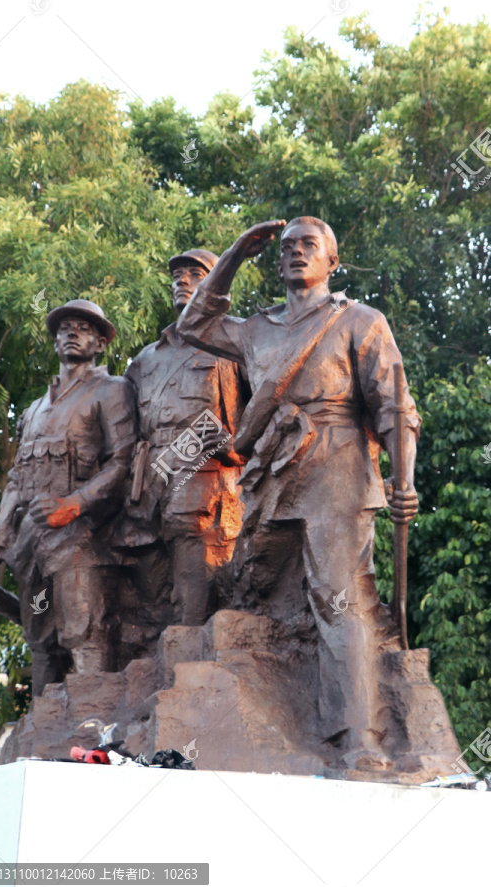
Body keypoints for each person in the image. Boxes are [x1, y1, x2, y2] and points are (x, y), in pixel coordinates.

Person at [178, 217, 420, 770]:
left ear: (333, 261)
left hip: (337, 465)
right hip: (272, 473)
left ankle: (358, 734)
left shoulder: (359, 320)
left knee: (338, 598)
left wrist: (403, 479)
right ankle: (264, 718)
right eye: (286, 247)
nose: (294, 253)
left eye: (309, 246)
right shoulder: (256, 329)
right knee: (252, 589)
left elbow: (393, 406)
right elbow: (195, 323)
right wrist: (236, 252)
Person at [0, 299, 137, 696]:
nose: (72, 333)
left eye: (84, 328)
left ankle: (95, 729)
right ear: (55, 340)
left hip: (82, 543)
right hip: (32, 553)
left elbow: (122, 463)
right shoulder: (34, 411)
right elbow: (16, 484)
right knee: (41, 637)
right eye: (64, 327)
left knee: (83, 632)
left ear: (100, 343)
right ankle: (43, 730)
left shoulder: (111, 391)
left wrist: (72, 504)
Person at [122, 249, 248, 626]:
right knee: (152, 603)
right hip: (150, 492)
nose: (182, 280)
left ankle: (192, 674)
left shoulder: (236, 341)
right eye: (177, 274)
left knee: (200, 595)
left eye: (195, 273)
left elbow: (268, 413)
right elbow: (125, 432)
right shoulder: (146, 359)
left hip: (208, 489)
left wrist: (232, 445)